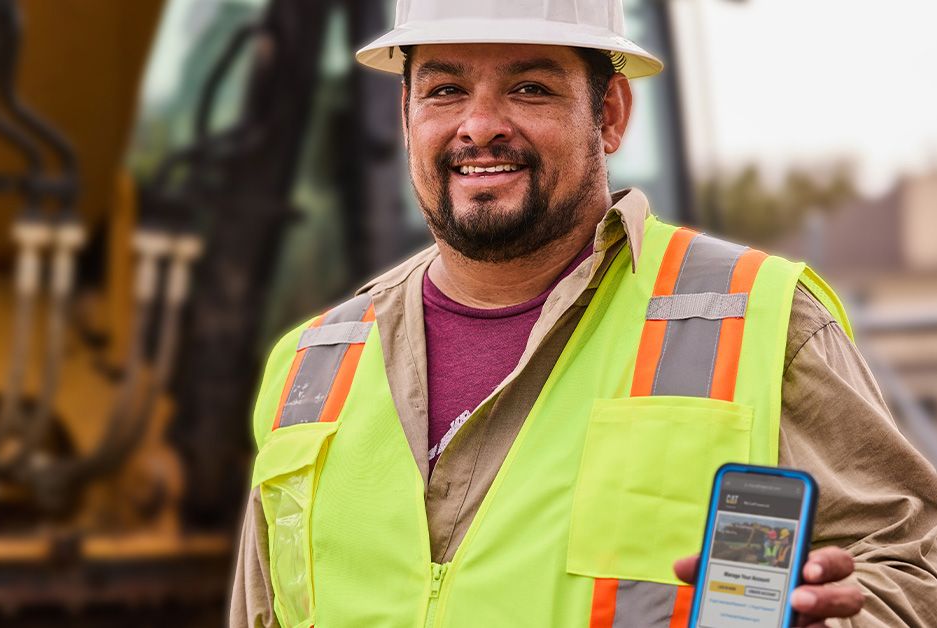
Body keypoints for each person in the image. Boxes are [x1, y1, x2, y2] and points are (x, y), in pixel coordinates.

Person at [231, 1, 937, 626]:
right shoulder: (311, 364)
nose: (478, 126)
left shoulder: (759, 318)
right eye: (445, 90)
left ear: (608, 115)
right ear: (407, 116)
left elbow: (911, 570)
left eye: (529, 88)